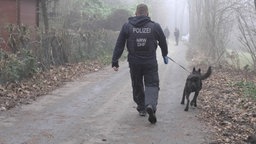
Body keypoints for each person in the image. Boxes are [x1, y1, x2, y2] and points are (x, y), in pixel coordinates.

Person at [111, 3, 168, 124]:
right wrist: (164, 54)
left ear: (136, 13)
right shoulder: (155, 26)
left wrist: (115, 61)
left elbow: (120, 44)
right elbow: (163, 41)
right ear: (147, 13)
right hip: (150, 62)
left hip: (134, 62)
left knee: (137, 84)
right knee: (152, 84)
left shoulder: (127, 26)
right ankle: (150, 105)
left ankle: (142, 108)